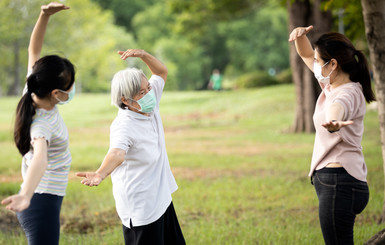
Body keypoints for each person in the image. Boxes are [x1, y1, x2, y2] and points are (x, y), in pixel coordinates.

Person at [76, 49, 185, 245]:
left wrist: (143, 55)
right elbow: (117, 153)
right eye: (142, 92)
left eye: (148, 88)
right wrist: (100, 173)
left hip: (161, 198)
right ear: (126, 100)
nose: (149, 94)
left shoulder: (149, 103)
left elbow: (161, 72)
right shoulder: (123, 125)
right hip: (141, 206)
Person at [289, 26, 376, 244]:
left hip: (338, 182)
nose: (316, 65)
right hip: (344, 181)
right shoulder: (332, 84)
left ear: (333, 64)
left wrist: (334, 121)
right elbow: (307, 54)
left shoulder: (346, 93)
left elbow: (337, 108)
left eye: (320, 61)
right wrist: (300, 37)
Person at [1, 3, 75, 245]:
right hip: (39, 200)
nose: (72, 89)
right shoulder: (41, 125)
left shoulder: (31, 89)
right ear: (56, 93)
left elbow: (34, 50)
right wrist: (25, 195)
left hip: (44, 198)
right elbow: (40, 158)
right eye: (70, 86)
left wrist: (44, 15)